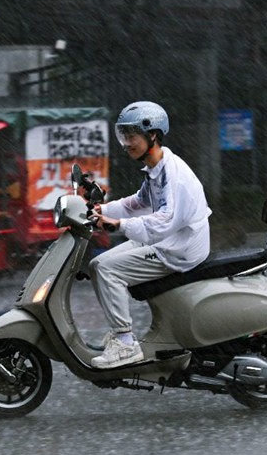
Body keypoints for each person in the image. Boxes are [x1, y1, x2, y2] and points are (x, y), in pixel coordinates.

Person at [88, 101, 211, 368]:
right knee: (97, 265)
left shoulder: (173, 175)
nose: (125, 143)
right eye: (123, 135)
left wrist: (117, 225)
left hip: (178, 249)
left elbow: (163, 221)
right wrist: (102, 209)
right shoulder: (158, 169)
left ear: (152, 134)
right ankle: (121, 333)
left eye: (131, 136)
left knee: (108, 269)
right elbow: (138, 203)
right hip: (168, 239)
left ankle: (125, 344)